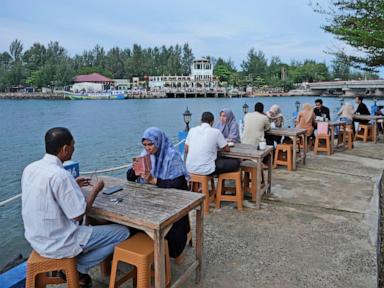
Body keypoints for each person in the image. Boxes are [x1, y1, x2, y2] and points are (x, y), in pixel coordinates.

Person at [22, 127, 130, 288]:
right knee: (123, 232)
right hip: (59, 242)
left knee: (93, 227)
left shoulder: (30, 169)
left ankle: (77, 265)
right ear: (65, 149)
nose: (74, 148)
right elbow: (78, 215)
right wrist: (96, 190)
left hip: (37, 240)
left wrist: (73, 185)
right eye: (73, 145)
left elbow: (48, 197)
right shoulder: (60, 175)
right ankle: (80, 267)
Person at [126, 127, 190, 258]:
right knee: (131, 221)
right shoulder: (145, 155)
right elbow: (130, 177)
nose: (148, 148)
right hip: (150, 200)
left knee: (170, 235)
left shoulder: (172, 156)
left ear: (159, 141)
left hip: (171, 203)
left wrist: (154, 181)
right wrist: (135, 170)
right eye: (145, 145)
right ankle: (143, 247)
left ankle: (164, 249)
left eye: (150, 144)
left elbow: (180, 184)